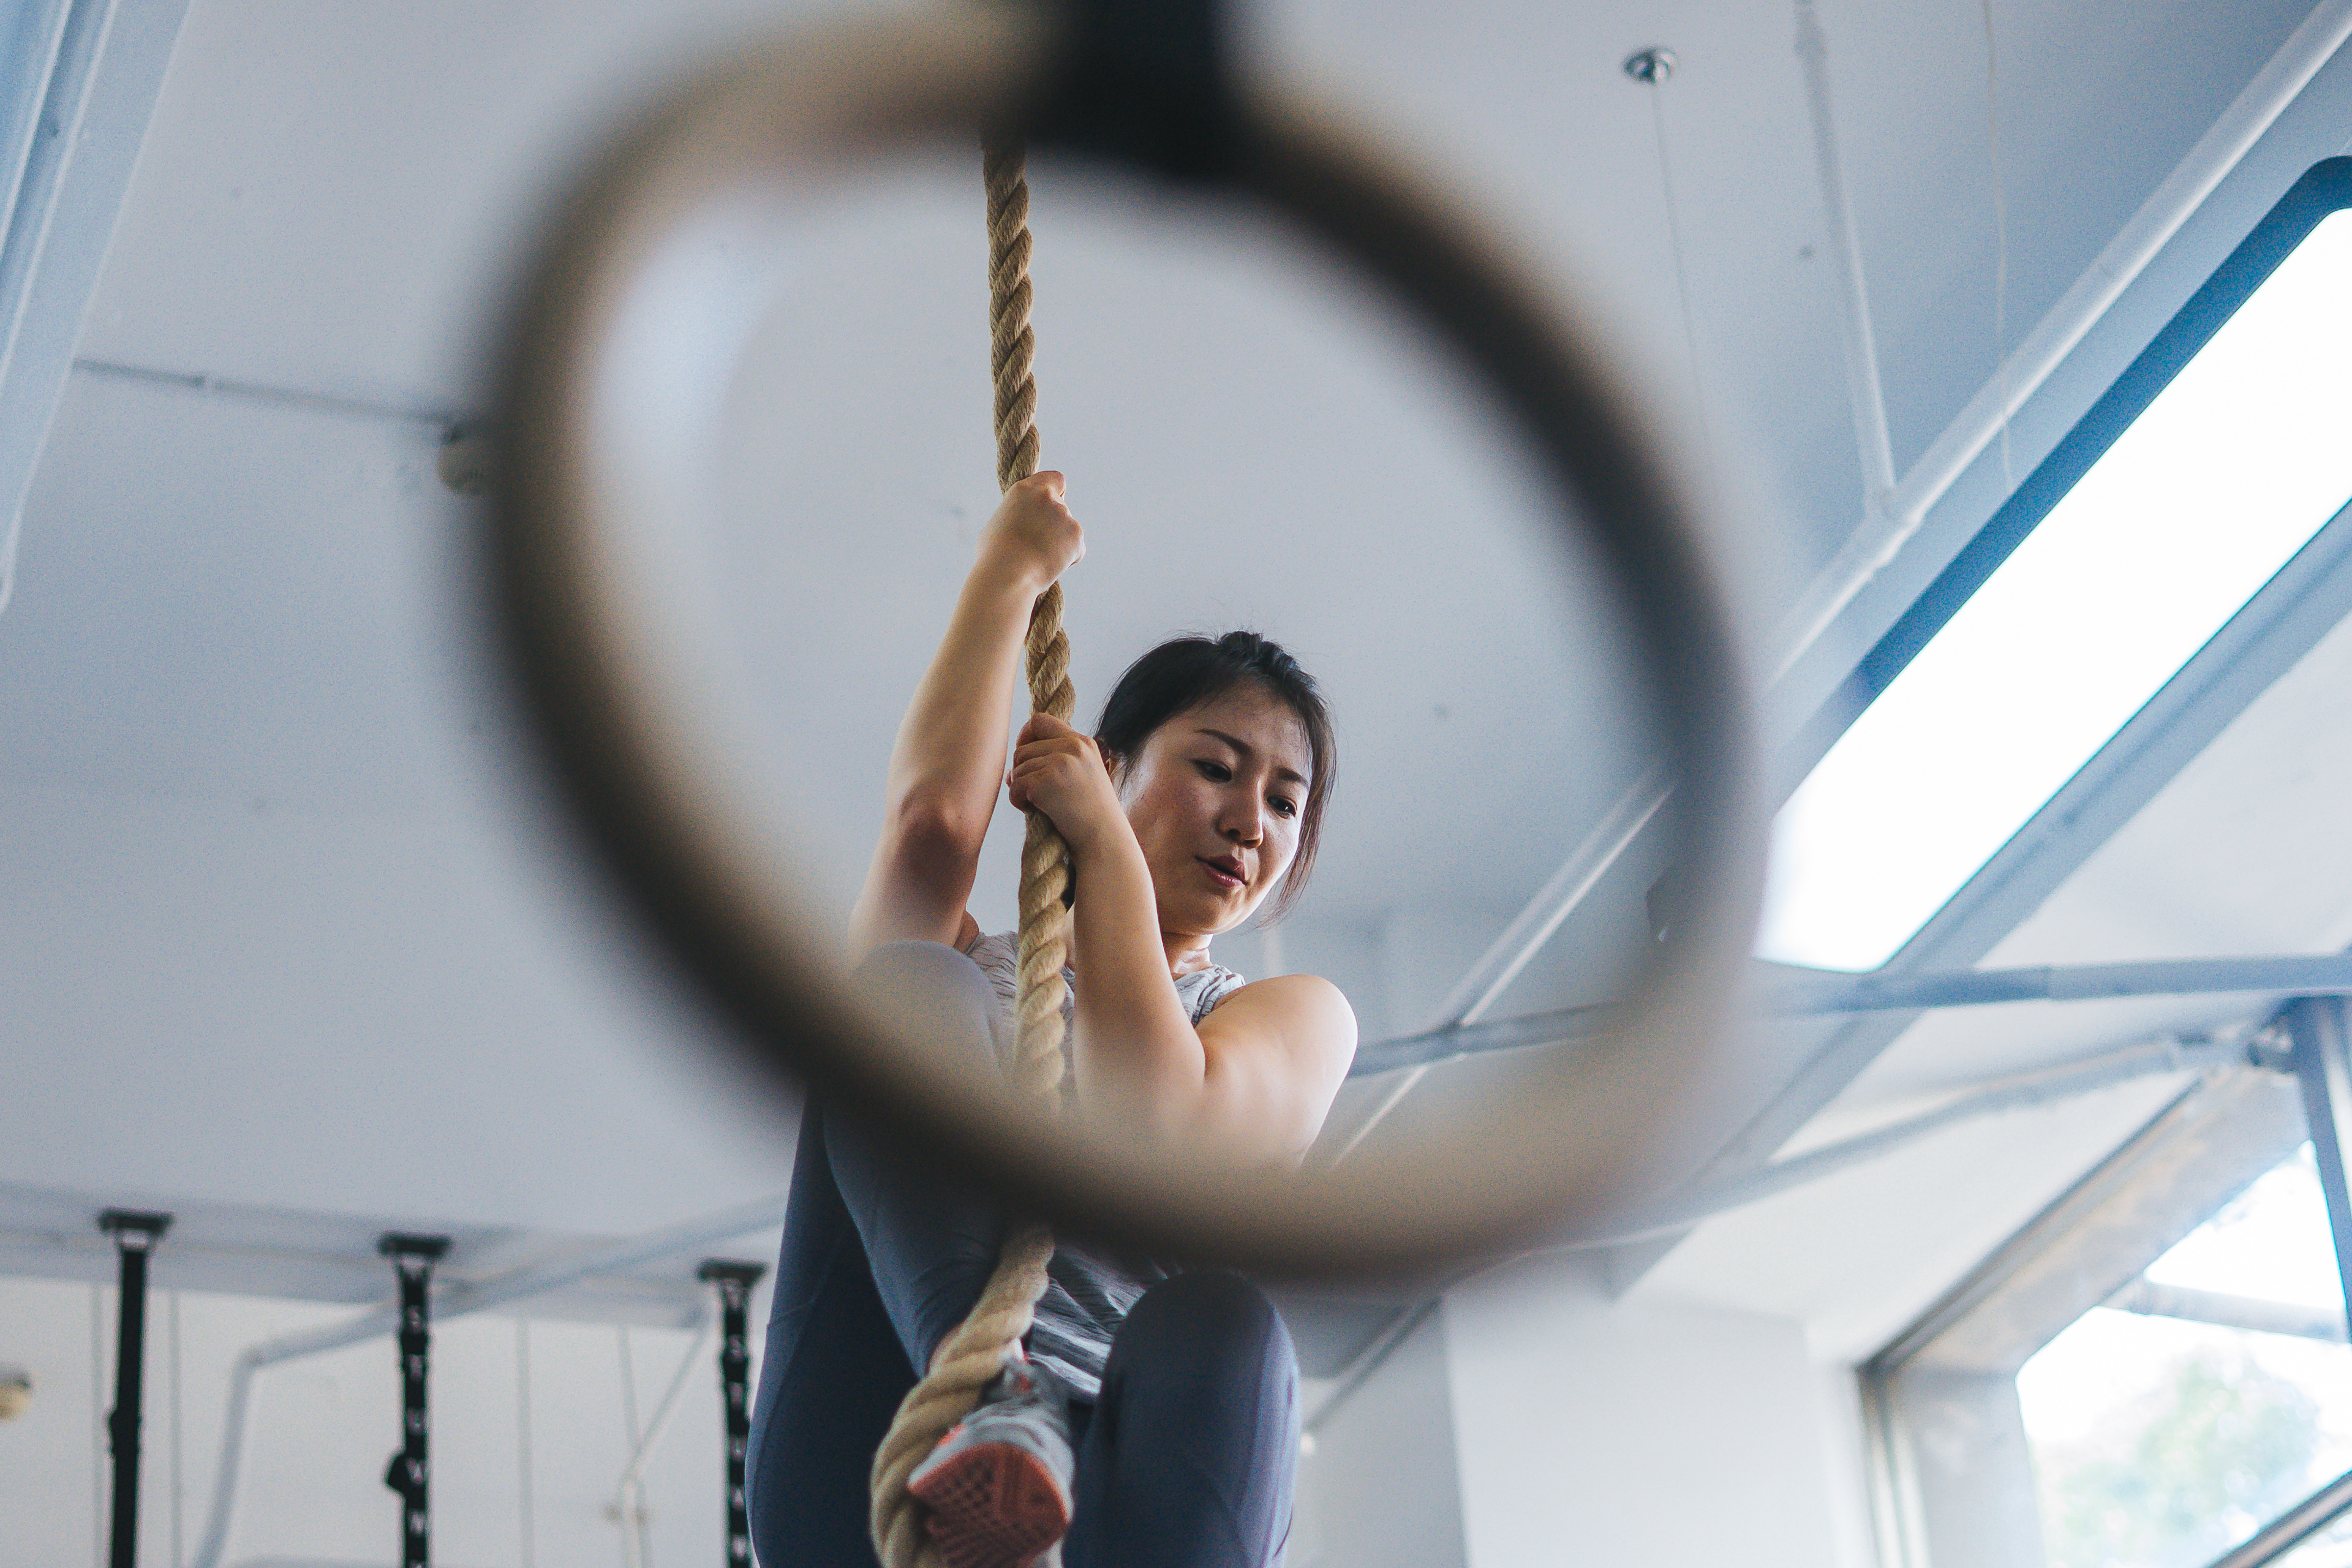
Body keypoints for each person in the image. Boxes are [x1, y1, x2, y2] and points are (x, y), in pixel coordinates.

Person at [745, 470, 1357, 1568]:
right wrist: (1009, 573)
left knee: (1224, 1320)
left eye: (1283, 802)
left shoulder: (1293, 1020)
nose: (1248, 822)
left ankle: (1023, 1428)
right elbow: (930, 830)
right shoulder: (965, 980)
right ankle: (988, 1399)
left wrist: (1105, 848)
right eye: (1215, 768)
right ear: (1108, 769)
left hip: (1126, 1506)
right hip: (883, 1461)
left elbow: (1159, 1125)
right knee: (904, 989)